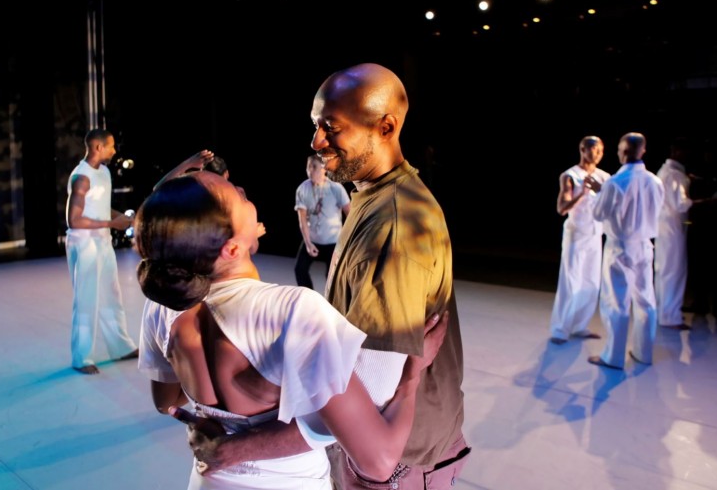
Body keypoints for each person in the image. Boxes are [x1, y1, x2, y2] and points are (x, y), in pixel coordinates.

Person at [177, 62, 471, 489]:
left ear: (385, 127)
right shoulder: (372, 196)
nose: (316, 142)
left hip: (400, 464)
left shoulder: (396, 224)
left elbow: (367, 407)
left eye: (332, 128)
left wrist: (234, 449)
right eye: (316, 126)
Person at [135, 171, 449, 489]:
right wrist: (411, 378)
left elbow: (166, 401)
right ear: (231, 249)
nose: (242, 188)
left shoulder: (163, 306)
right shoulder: (291, 312)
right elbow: (379, 461)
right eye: (236, 195)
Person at [588, 132, 664, 370]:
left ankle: (613, 356)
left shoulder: (614, 183)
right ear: (642, 151)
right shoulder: (655, 181)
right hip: (644, 245)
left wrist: (600, 192)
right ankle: (644, 352)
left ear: (623, 152)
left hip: (621, 246)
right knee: (646, 300)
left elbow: (599, 214)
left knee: (616, 302)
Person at [65, 128, 138, 375]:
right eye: (111, 146)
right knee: (86, 299)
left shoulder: (104, 172)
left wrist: (126, 219)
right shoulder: (81, 178)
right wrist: (111, 224)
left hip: (102, 240)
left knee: (111, 294)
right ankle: (81, 358)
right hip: (83, 242)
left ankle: (121, 346)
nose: (114, 150)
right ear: (98, 147)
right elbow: (74, 220)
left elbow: (102, 210)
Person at [655, 137, 717, 329]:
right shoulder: (675, 175)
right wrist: (709, 202)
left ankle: (663, 312)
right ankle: (670, 317)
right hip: (673, 227)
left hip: (663, 227)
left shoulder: (665, 171)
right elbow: (681, 203)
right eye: (685, 151)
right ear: (676, 152)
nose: (689, 156)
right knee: (674, 272)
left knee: (663, 271)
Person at [549, 135, 610, 345]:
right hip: (576, 234)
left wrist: (600, 190)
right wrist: (582, 193)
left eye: (601, 151)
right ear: (583, 150)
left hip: (595, 235)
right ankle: (560, 328)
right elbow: (561, 208)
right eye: (595, 150)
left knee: (591, 282)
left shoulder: (604, 177)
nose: (598, 154)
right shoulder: (570, 176)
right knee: (571, 281)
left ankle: (579, 325)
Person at [294, 155, 350, 290]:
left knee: (331, 277)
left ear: (324, 168)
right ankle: (309, 299)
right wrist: (308, 243)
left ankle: (332, 305)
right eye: (308, 167)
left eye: (314, 167)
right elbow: (302, 219)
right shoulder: (303, 189)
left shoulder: (336, 188)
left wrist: (347, 241)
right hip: (313, 239)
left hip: (333, 241)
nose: (310, 170)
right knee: (300, 269)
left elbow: (351, 215)